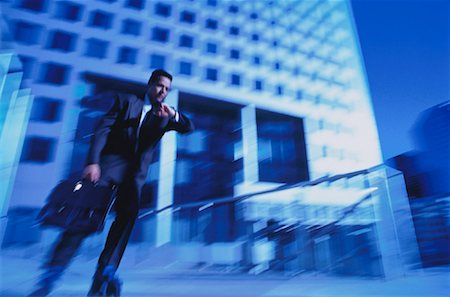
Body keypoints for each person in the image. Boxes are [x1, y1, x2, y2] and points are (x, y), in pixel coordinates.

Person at [29, 69, 194, 296]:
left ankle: (101, 282)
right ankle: (49, 278)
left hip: (133, 182)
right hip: (105, 171)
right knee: (79, 224)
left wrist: (174, 114)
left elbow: (188, 127)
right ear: (150, 85)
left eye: (167, 89)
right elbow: (102, 130)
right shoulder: (127, 102)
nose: (163, 91)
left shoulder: (165, 116)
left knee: (122, 227)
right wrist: (93, 162)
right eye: (159, 86)